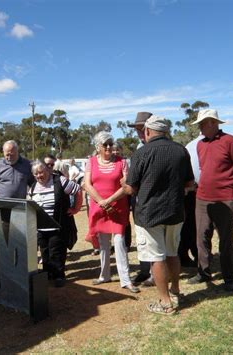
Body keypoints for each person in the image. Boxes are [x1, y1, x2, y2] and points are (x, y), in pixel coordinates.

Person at [124, 115, 194, 315]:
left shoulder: (142, 153)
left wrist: (124, 184)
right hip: (175, 211)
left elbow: (130, 188)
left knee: (156, 258)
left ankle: (165, 303)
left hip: (149, 215)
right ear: (166, 131)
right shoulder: (181, 150)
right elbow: (190, 183)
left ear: (147, 131)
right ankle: (175, 290)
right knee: (172, 253)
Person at [188, 109, 233, 291]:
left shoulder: (230, 141)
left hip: (224, 198)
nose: (199, 127)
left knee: (225, 239)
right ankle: (203, 272)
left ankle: (229, 277)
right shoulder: (200, 144)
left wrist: (231, 185)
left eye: (202, 123)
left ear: (212, 122)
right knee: (201, 237)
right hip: (202, 198)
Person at [83, 131, 139, 293]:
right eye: (104, 144)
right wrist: (101, 201)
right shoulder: (91, 162)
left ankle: (126, 279)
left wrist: (109, 201)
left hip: (117, 208)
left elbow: (126, 186)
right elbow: (87, 184)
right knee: (103, 244)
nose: (108, 147)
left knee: (120, 242)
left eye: (110, 144)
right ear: (98, 147)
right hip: (99, 208)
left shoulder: (122, 162)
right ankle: (104, 275)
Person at [28, 160, 82, 287]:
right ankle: (48, 274)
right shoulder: (33, 186)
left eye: (41, 172)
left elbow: (78, 190)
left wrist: (76, 208)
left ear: (47, 170)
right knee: (44, 251)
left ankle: (59, 276)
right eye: (36, 174)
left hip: (57, 225)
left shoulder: (60, 181)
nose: (39, 176)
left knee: (56, 251)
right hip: (41, 227)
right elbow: (29, 202)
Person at [128, 112, 153, 285]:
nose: (138, 133)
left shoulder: (160, 148)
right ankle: (145, 270)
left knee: (154, 240)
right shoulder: (139, 149)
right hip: (138, 201)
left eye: (141, 129)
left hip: (153, 201)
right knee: (142, 238)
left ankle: (155, 272)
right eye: (137, 129)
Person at [179, 135, 203, 267]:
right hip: (189, 192)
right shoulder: (189, 146)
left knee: (194, 226)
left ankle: (197, 255)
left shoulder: (188, 146)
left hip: (196, 191)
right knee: (189, 226)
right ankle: (185, 254)